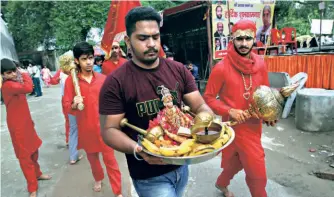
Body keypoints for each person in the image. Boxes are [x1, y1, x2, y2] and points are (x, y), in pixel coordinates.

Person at [99, 7, 213, 197]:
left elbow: (199, 105)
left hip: (182, 164)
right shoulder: (116, 82)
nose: (151, 44)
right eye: (142, 38)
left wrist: (206, 118)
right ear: (128, 41)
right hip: (148, 175)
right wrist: (138, 149)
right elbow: (109, 130)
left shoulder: (179, 70)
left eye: (155, 37)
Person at [203, 20, 277, 197]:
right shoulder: (221, 68)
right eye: (239, 39)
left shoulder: (260, 64)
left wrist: (270, 114)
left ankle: (221, 184)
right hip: (234, 127)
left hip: (254, 125)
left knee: (236, 162)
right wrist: (230, 110)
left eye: (248, 38)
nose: (244, 43)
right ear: (232, 40)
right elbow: (208, 98)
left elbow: (265, 94)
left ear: (254, 39)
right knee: (257, 173)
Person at [63, 42, 122, 196]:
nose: (89, 62)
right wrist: (74, 105)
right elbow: (67, 105)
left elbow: (113, 101)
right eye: (84, 59)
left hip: (104, 128)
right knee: (93, 160)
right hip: (86, 128)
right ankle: (98, 178)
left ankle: (118, 191)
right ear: (76, 61)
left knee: (111, 161)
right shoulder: (71, 81)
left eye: (90, 58)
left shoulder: (103, 79)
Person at [1, 58, 51, 197]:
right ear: (3, 75)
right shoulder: (8, 85)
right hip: (17, 127)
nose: (11, 75)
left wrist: (19, 75)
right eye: (8, 73)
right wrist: (23, 73)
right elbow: (29, 88)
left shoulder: (14, 82)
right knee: (25, 157)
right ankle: (32, 186)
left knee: (34, 151)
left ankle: (38, 174)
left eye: (13, 71)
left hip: (26, 123)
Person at [50, 68, 83, 164]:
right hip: (73, 102)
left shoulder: (61, 72)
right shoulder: (77, 74)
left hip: (66, 100)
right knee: (74, 126)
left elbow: (52, 81)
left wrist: (57, 80)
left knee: (72, 126)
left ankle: (73, 154)